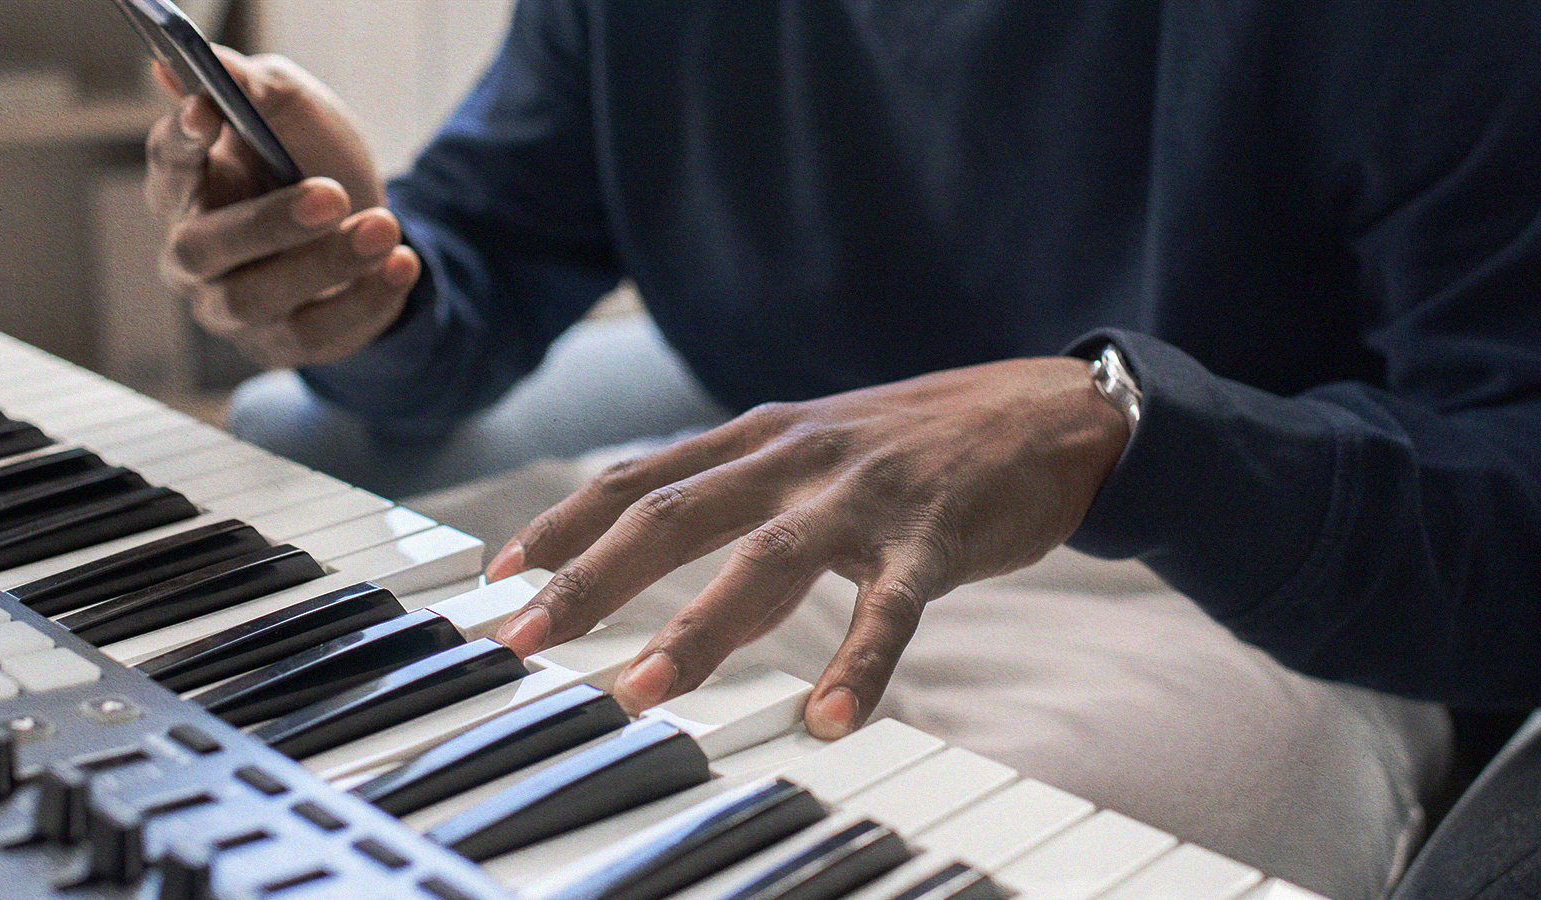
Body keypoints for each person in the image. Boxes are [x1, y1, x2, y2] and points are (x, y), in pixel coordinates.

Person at [143, 2, 1541, 897]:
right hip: (767, 495)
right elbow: (483, 268)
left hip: (1237, 583)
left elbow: (1514, 492)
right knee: (319, 727)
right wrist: (359, 275)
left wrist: (1126, 427)